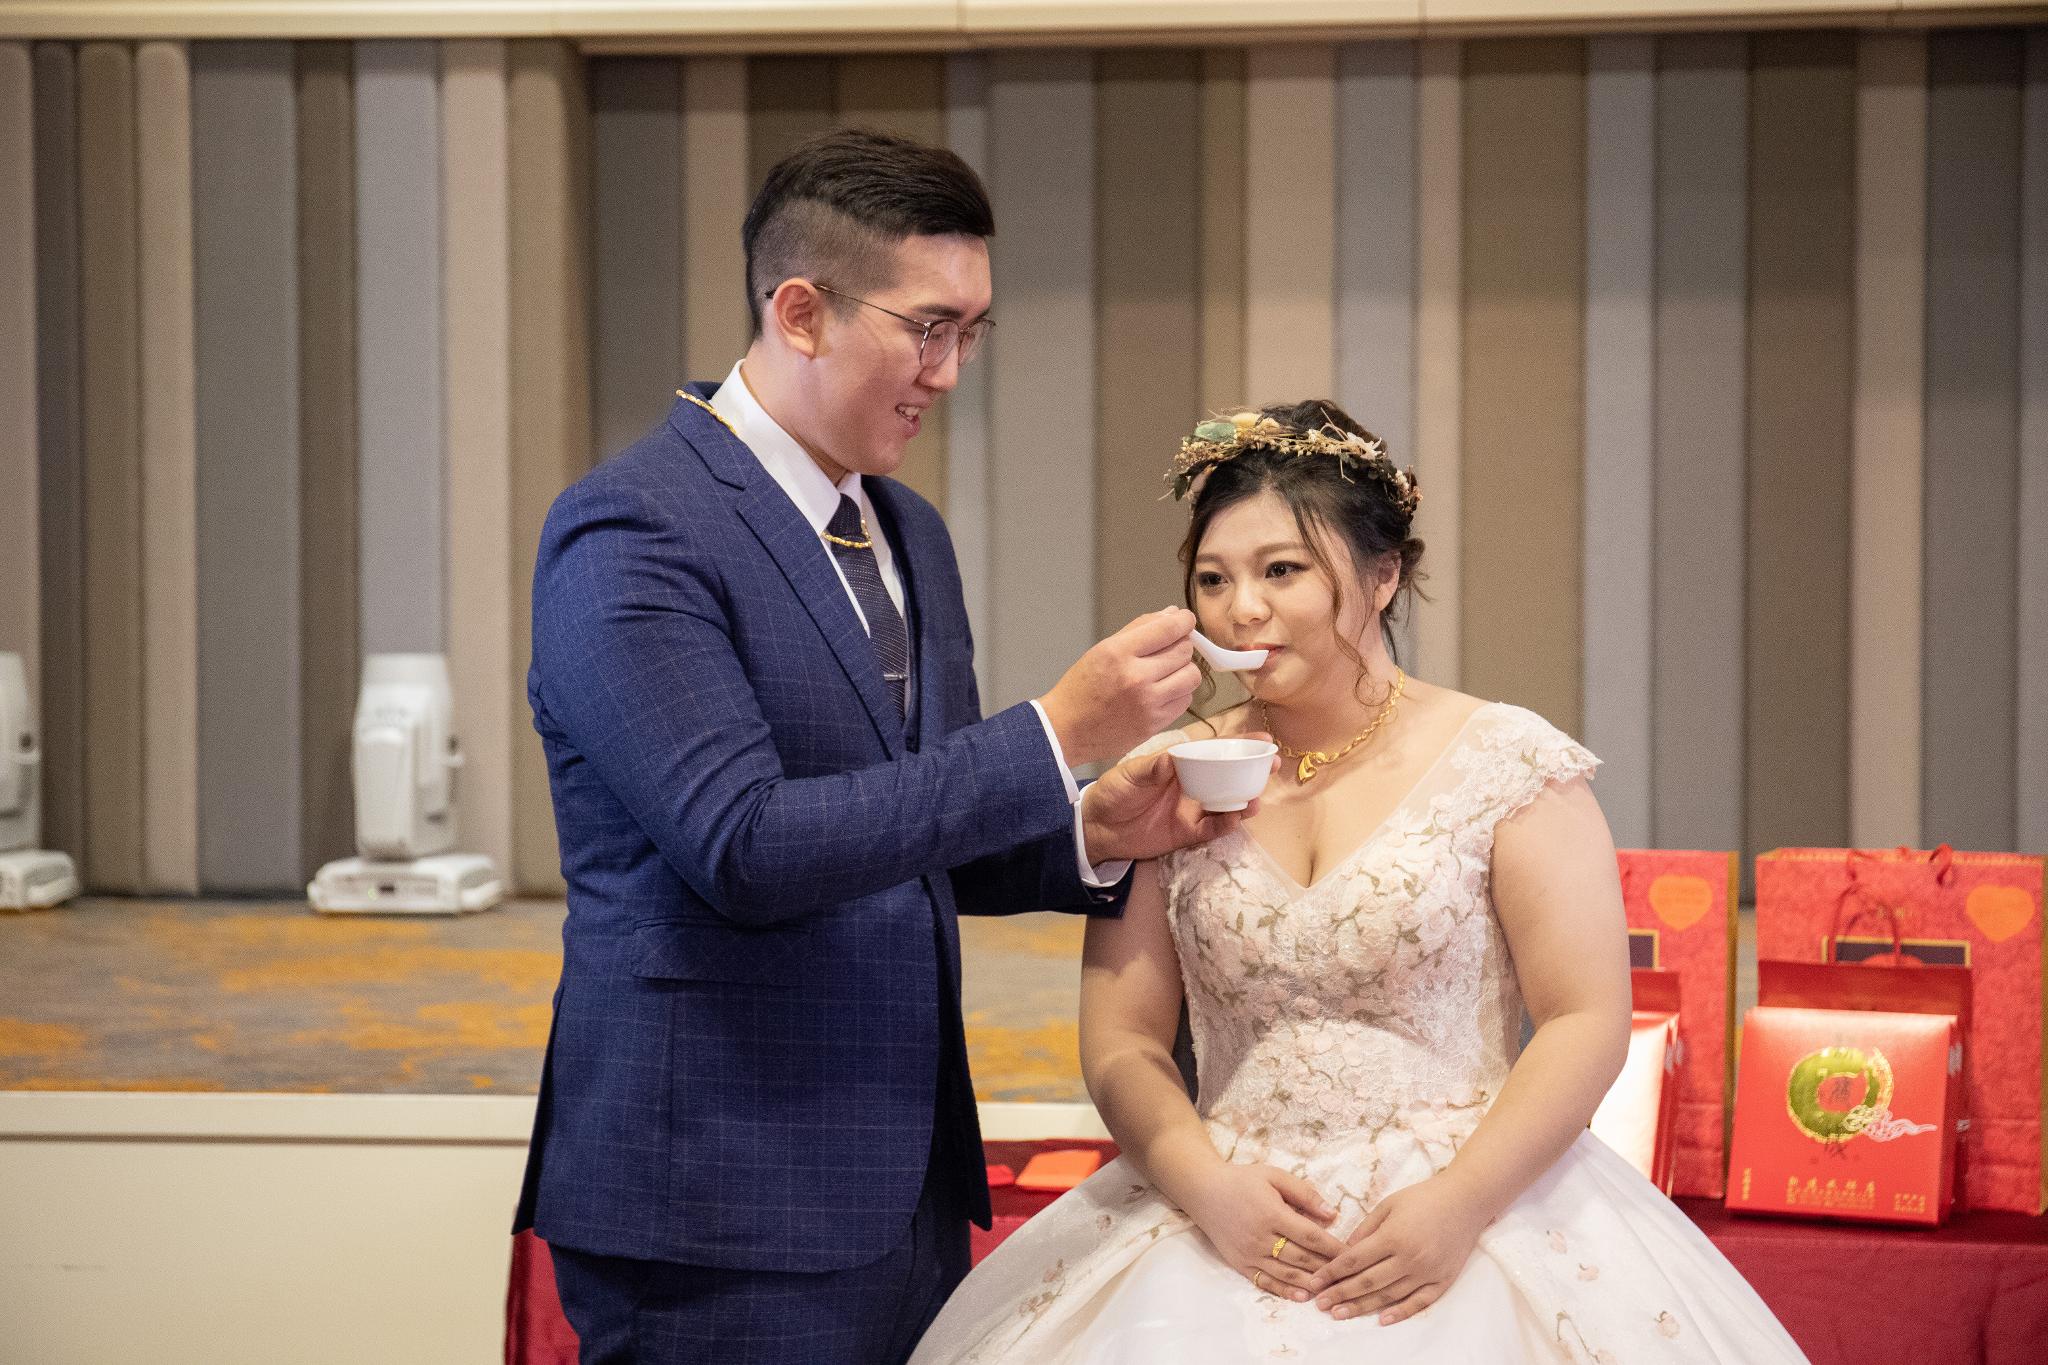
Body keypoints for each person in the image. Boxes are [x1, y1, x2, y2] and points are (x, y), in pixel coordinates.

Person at [514, 128, 1249, 1364]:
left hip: (899, 1178)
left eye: (971, 332)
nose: (948, 372)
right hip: (716, 1196)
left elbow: (915, 827)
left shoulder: (905, 528)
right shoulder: (632, 528)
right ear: (799, 312)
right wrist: (1053, 732)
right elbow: (744, 846)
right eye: (926, 329)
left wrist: (1084, 826)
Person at [911, 401, 1808, 1363]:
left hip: (1466, 1203)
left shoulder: (1506, 762)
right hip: (1229, 1204)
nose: (1241, 608)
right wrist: (1205, 1185)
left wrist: (1461, 1202)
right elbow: (1123, 1040)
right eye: (1213, 579)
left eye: (1281, 570)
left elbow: (1585, 1017)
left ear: (1383, 576)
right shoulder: (1170, 778)